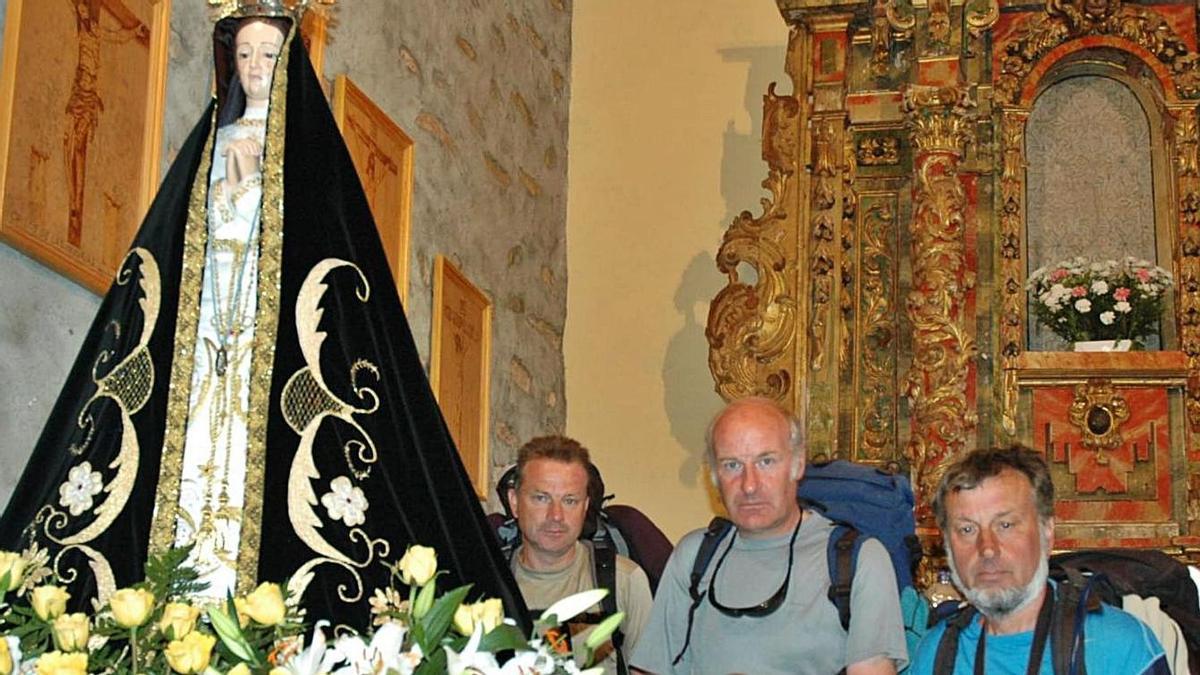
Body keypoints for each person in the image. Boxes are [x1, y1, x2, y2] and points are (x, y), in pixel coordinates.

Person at [0, 3, 526, 630]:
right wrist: (225, 195)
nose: (253, 68)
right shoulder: (211, 148)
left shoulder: (314, 164)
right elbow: (173, 255)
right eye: (243, 54)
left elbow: (333, 276)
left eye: (268, 56)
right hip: (205, 342)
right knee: (193, 453)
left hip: (274, 353)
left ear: (290, 65)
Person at [631, 397, 907, 674]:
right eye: (732, 465)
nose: (749, 485)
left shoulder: (857, 561)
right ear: (714, 477)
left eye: (766, 461)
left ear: (798, 465)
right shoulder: (694, 557)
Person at [908, 446, 1169, 674]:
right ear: (946, 546)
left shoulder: (1116, 646)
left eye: (1006, 525)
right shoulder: (937, 655)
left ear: (1047, 533)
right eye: (967, 529)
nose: (987, 549)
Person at [507, 436, 653, 675]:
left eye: (570, 500)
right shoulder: (486, 581)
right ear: (514, 502)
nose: (556, 515)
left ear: (585, 506)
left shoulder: (624, 581)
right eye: (541, 498)